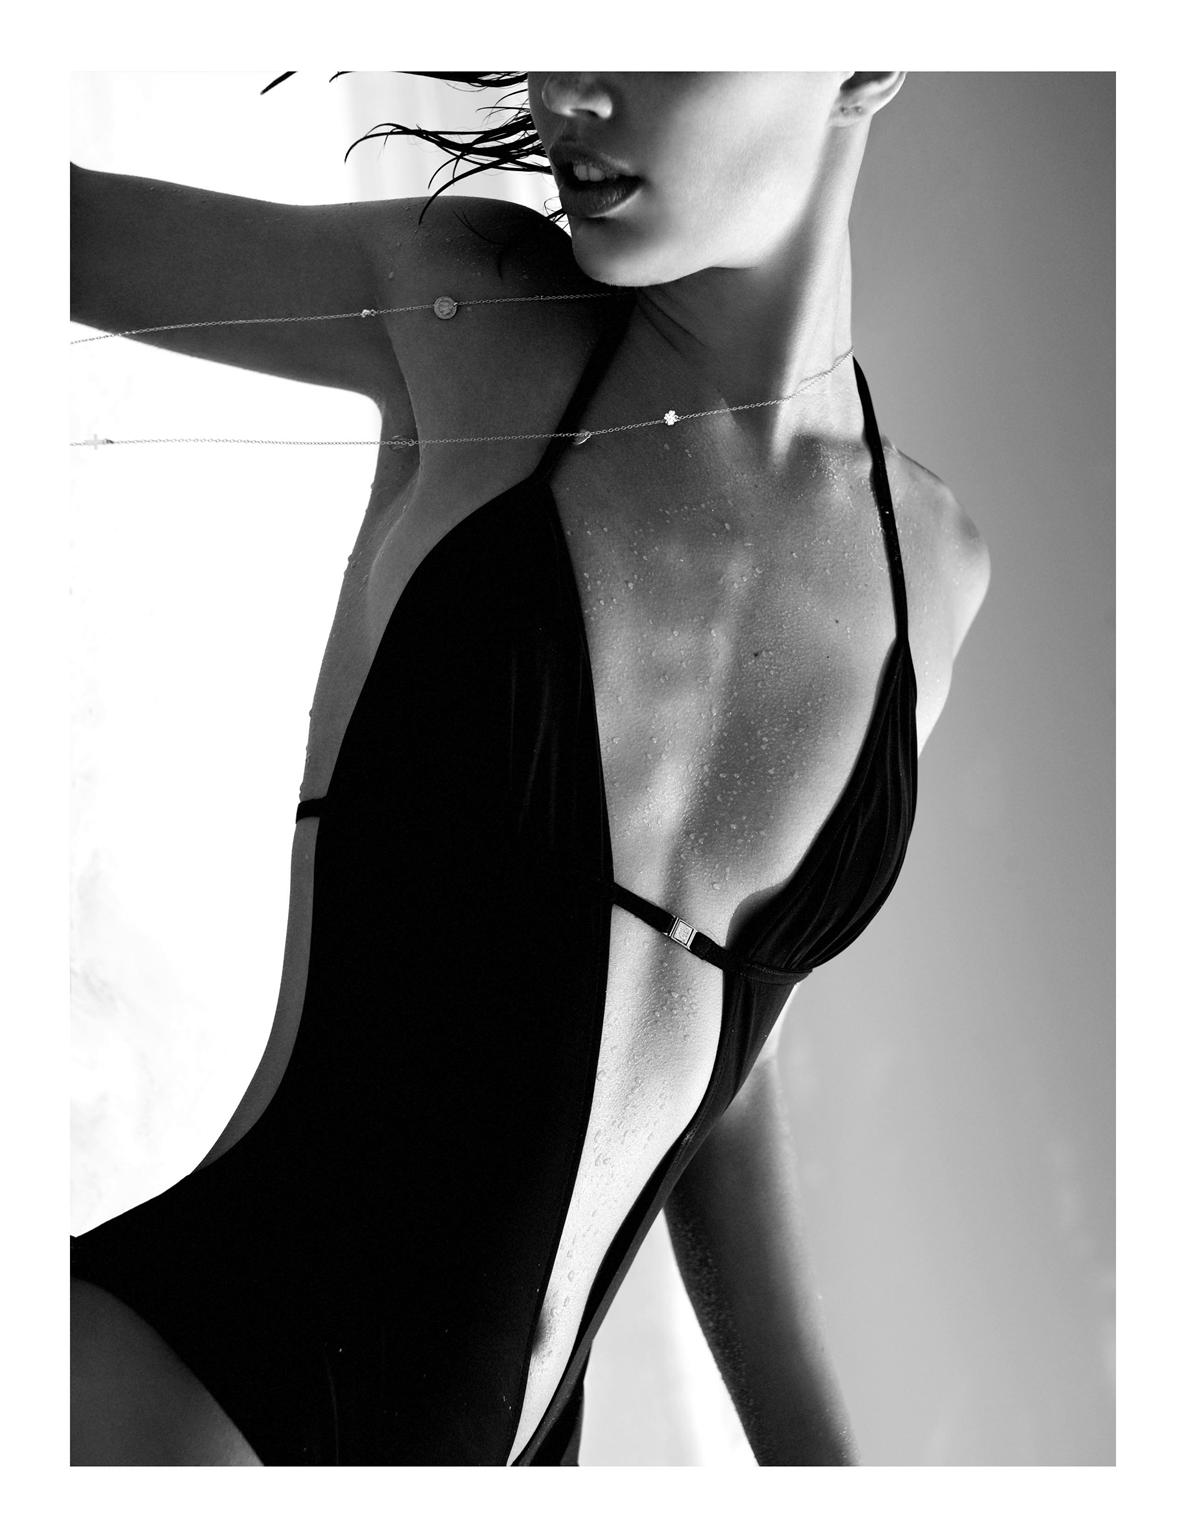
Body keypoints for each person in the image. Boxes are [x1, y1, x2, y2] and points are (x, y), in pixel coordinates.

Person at [69, 71, 989, 1465]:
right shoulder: (474, 309)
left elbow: (714, 1058)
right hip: (199, 1386)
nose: (566, 86)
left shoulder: (937, 573)